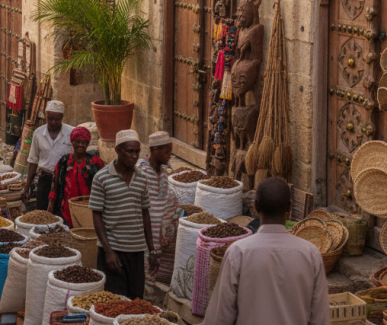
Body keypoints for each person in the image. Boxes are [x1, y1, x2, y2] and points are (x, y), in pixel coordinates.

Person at [205, 177, 331, 325]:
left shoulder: (238, 253)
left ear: (256, 207)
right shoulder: (311, 254)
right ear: (289, 208)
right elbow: (320, 319)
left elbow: (220, 318)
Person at [90, 129, 157, 300]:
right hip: (113, 250)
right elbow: (96, 216)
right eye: (130, 151)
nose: (135, 156)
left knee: (135, 301)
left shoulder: (141, 178)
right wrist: (108, 251)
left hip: (135, 251)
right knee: (114, 302)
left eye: (137, 151)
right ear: (118, 151)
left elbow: (145, 214)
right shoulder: (101, 178)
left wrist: (152, 250)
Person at [136, 131, 180, 284]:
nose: (169, 156)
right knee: (141, 277)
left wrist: (161, 235)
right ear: (155, 150)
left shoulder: (162, 173)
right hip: (140, 237)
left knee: (150, 276)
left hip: (154, 239)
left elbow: (160, 209)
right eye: (167, 152)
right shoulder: (141, 172)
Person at [22, 100, 74, 211]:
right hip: (45, 179)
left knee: (62, 212)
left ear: (62, 117)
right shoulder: (38, 133)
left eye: (58, 119)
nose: (54, 122)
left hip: (65, 180)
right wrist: (27, 186)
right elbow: (33, 161)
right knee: (42, 212)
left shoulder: (71, 133)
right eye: (50, 118)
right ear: (46, 116)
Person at [48, 126, 104, 226]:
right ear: (72, 142)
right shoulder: (65, 161)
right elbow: (55, 183)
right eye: (77, 141)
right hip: (67, 209)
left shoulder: (94, 162)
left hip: (88, 208)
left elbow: (103, 186)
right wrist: (51, 205)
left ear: (87, 144)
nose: (80, 145)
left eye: (84, 142)